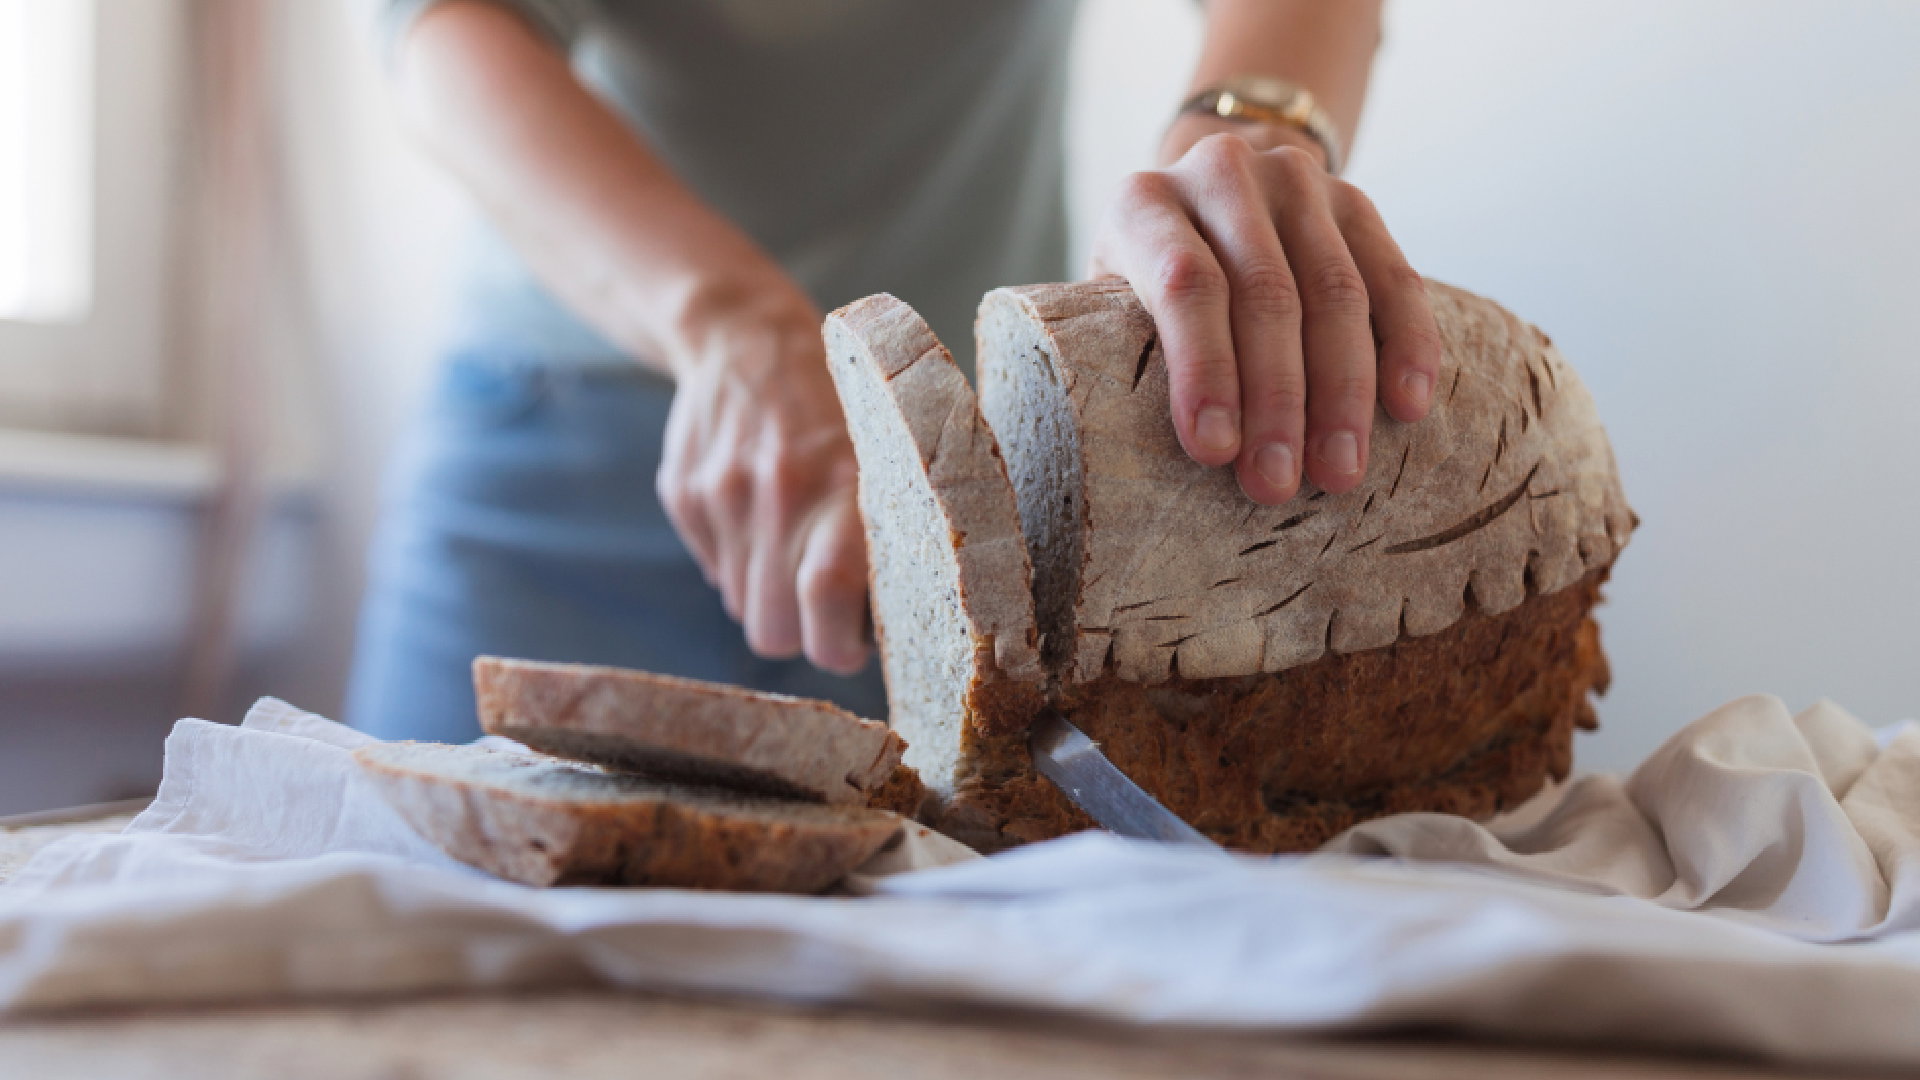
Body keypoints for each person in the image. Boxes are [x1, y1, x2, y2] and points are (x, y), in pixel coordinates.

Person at [347, 0, 1440, 742]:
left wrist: (1236, 148)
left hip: (960, 493)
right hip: (554, 465)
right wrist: (726, 319)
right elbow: (445, 27)